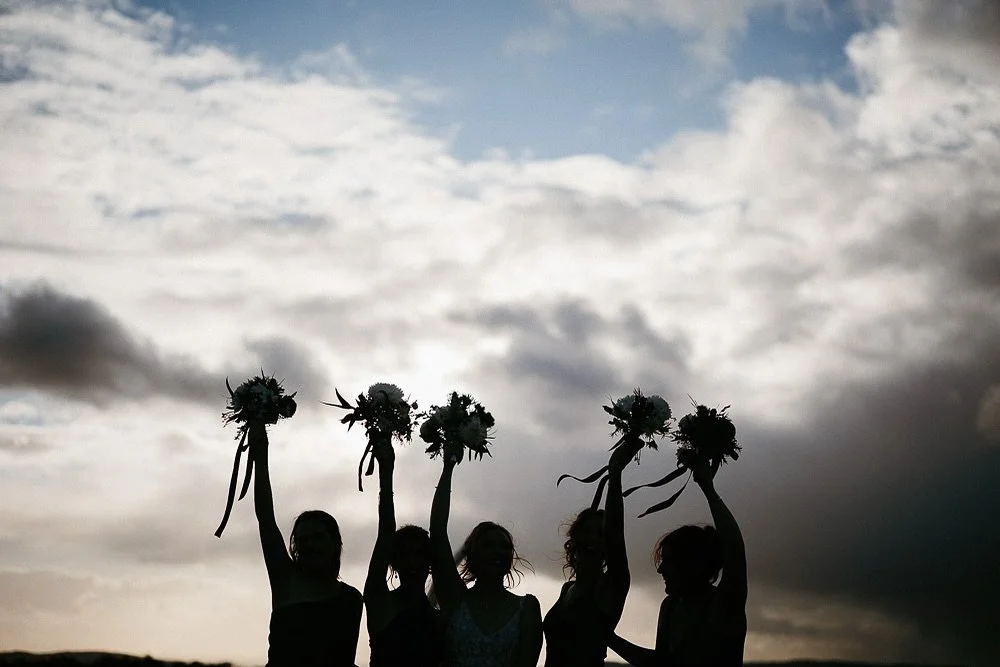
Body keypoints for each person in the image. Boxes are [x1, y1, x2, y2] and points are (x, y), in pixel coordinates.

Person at [608, 457, 747, 667]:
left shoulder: (722, 605)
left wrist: (708, 489)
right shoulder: (671, 607)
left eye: (669, 561)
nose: (661, 569)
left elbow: (734, 551)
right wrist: (609, 638)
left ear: (694, 563)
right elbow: (661, 663)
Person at [248, 420, 363, 667]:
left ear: (336, 542)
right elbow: (266, 519)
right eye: (303, 540)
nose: (310, 546)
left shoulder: (353, 599)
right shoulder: (285, 580)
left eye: (318, 538)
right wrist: (260, 454)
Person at [429, 444, 543, 667]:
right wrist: (448, 466)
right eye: (488, 545)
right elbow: (438, 531)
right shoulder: (455, 598)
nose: (497, 551)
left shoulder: (527, 608)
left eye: (504, 546)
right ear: (470, 555)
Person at [543, 443, 633, 666]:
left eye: (601, 534)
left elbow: (615, 533)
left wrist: (615, 475)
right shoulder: (567, 589)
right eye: (588, 531)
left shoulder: (611, 584)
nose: (594, 538)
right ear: (576, 537)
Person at [365, 437, 445, 667]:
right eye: (404, 554)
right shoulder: (380, 602)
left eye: (419, 554)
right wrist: (386, 471)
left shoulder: (440, 619)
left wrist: (448, 465)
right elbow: (385, 532)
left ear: (429, 562)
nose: (412, 562)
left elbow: (439, 531)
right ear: (393, 562)